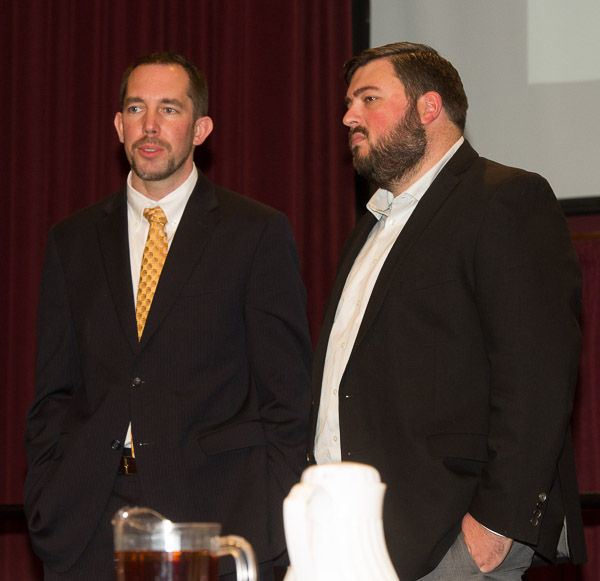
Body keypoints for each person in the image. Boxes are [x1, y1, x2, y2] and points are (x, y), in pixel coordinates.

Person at [24, 52, 312, 581]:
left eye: (170, 109)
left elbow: (288, 397)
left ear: (200, 129)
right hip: (86, 522)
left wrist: (269, 520)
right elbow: (53, 393)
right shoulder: (73, 240)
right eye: (137, 109)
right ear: (119, 126)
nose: (150, 126)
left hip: (215, 516)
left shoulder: (254, 233)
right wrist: (47, 494)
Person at [309, 42, 586, 580]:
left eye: (369, 98)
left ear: (428, 107)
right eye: (348, 103)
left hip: (450, 540)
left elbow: (537, 378)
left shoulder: (505, 199)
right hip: (351, 535)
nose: (348, 116)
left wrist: (495, 527)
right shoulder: (370, 226)